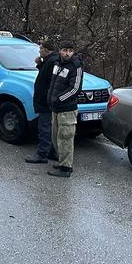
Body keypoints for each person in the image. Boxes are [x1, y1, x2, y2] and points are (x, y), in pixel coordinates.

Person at [47, 40, 83, 178]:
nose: (67, 53)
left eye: (70, 51)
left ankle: (66, 168)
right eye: (65, 50)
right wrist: (50, 98)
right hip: (56, 109)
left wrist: (58, 99)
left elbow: (75, 89)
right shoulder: (57, 63)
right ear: (60, 50)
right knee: (56, 138)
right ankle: (62, 161)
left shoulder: (76, 66)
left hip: (67, 109)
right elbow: (53, 82)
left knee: (65, 138)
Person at [26, 39, 60, 164]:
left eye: (40, 48)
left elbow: (52, 81)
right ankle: (51, 151)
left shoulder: (52, 61)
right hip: (47, 100)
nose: (39, 51)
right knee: (50, 128)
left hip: (46, 102)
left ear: (46, 49)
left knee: (44, 128)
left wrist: (47, 96)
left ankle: (42, 154)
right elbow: (46, 76)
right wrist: (40, 64)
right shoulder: (49, 61)